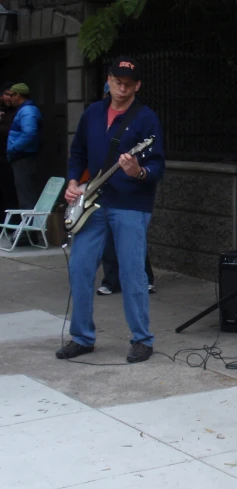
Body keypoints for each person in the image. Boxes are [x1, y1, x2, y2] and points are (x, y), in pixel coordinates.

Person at [56, 56, 165, 364]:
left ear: (137, 85)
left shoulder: (146, 118)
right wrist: (74, 182)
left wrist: (137, 172)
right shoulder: (92, 113)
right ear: (108, 80)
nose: (121, 89)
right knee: (80, 268)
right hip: (92, 202)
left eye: (128, 85)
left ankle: (142, 339)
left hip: (131, 205)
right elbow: (77, 152)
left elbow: (157, 165)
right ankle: (82, 337)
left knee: (132, 273)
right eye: (117, 82)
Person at [95, 82, 156, 296]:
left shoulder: (139, 118)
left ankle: (144, 277)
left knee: (133, 237)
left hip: (128, 187)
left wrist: (137, 170)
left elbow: (150, 157)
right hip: (103, 186)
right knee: (108, 238)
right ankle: (112, 280)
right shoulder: (98, 118)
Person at [6, 83, 42, 211]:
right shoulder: (25, 110)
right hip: (23, 156)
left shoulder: (27, 111)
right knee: (25, 193)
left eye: (12, 95)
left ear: (18, 95)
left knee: (26, 195)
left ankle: (30, 228)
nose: (10, 98)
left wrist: (13, 149)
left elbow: (29, 133)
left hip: (24, 157)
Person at [0, 82, 18, 216]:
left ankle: (13, 221)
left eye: (12, 95)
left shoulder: (18, 112)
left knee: (11, 191)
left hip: (10, 157)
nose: (9, 98)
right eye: (7, 94)